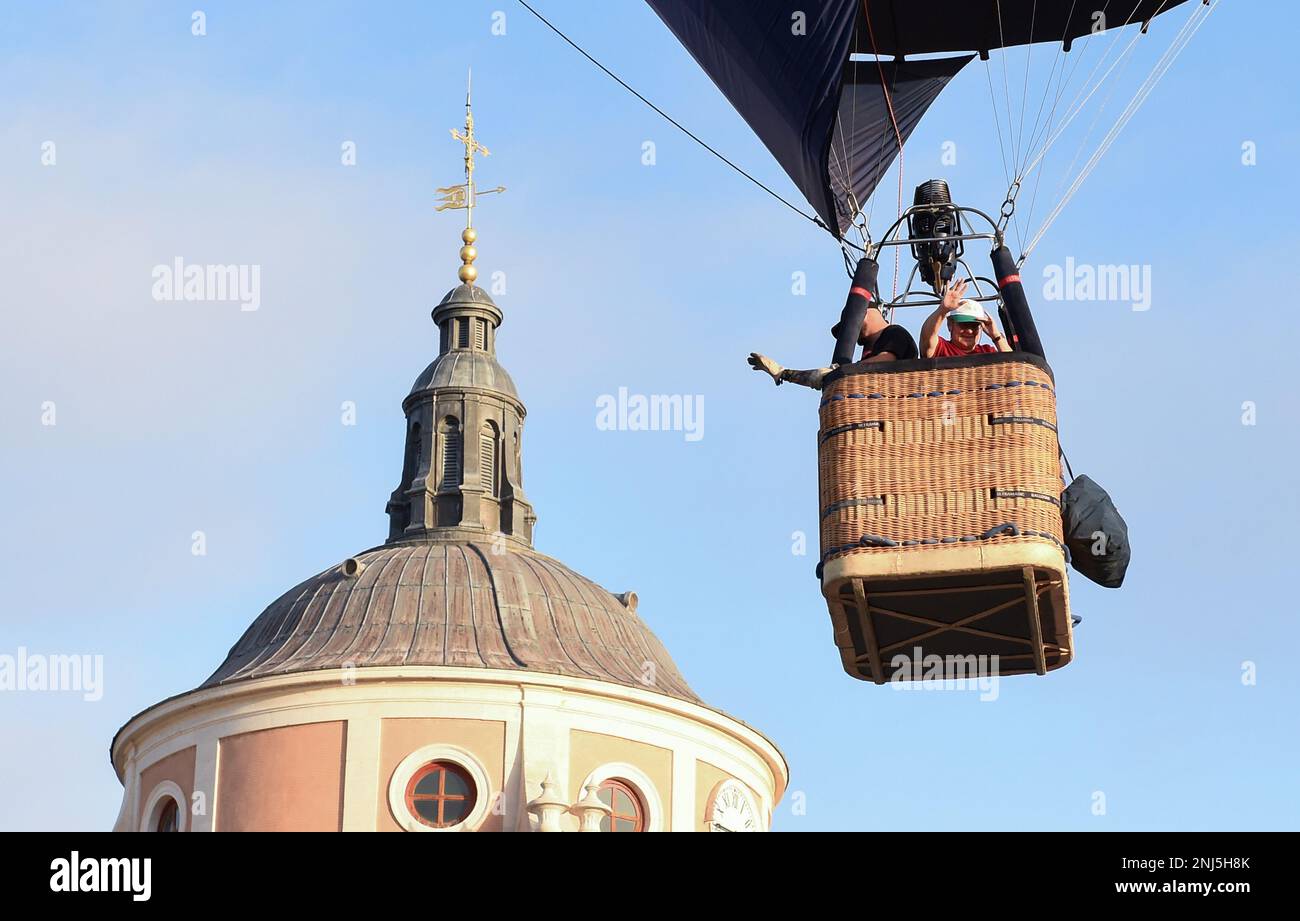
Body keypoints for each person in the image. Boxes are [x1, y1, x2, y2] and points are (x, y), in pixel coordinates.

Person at [748, 303, 917, 389]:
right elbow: (824, 378)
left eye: (852, 327)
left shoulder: (895, 333)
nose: (854, 336)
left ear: (863, 315)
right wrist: (783, 373)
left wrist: (842, 372)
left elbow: (885, 362)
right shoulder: (870, 354)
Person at [920, 278, 1012, 358]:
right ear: (950, 324)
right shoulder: (941, 348)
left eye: (974, 326)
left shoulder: (987, 351)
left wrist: (996, 336)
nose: (969, 331)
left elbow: (1013, 366)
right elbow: (927, 338)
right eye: (964, 325)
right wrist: (942, 310)